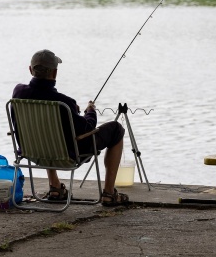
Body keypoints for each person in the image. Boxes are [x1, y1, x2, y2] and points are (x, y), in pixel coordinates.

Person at [12, 49, 129, 206]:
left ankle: (55, 188)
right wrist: (90, 111)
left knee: (46, 132)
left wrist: (72, 110)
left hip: (32, 152)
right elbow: (87, 128)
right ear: (54, 73)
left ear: (31, 70)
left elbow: (42, 97)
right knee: (116, 129)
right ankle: (109, 193)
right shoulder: (64, 103)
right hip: (67, 154)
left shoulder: (18, 93)